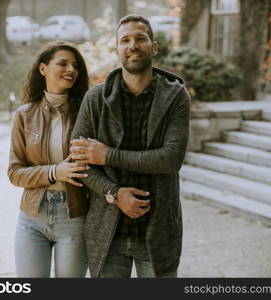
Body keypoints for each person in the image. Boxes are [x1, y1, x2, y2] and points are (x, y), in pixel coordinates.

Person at [70, 15, 190, 278]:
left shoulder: (175, 96)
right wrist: (114, 193)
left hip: (158, 232)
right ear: (117, 51)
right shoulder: (95, 99)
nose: (132, 45)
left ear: (154, 47)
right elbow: (79, 161)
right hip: (108, 233)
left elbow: (170, 159)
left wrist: (107, 155)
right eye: (125, 40)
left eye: (140, 38)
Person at [7, 41, 90, 278]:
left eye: (75, 66)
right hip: (32, 217)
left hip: (73, 217)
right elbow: (14, 172)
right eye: (62, 63)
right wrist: (54, 172)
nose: (71, 70)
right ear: (43, 68)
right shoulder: (24, 115)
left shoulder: (86, 112)